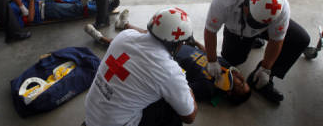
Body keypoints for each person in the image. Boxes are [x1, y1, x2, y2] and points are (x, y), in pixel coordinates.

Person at [85, 10, 251, 105]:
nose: (241, 77)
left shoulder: (208, 88)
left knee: (140, 46)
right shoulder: (225, 67)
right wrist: (196, 42)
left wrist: (173, 70)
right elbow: (210, 54)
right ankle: (125, 25)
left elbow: (181, 91)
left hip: (170, 58)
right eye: (244, 81)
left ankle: (101, 38)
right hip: (185, 47)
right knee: (150, 36)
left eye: (240, 84)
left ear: (230, 94)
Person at [84, 7, 197, 126]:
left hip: (92, 116)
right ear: (179, 43)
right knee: (171, 108)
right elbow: (189, 116)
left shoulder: (125, 35)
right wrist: (185, 86)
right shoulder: (169, 70)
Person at [203, 0, 310, 103]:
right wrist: (212, 60)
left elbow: (276, 40)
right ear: (246, 7)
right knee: (231, 60)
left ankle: (258, 80)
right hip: (237, 28)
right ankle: (250, 41)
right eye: (254, 22)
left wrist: (266, 69)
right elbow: (210, 31)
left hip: (266, 28)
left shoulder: (281, 8)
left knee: (300, 39)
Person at [0, 0, 120, 30]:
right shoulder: (9, 18)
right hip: (46, 11)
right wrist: (31, 1)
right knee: (77, 8)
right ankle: (107, 7)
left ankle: (103, 2)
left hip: (46, 3)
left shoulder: (6, 8)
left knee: (76, 1)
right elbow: (29, 19)